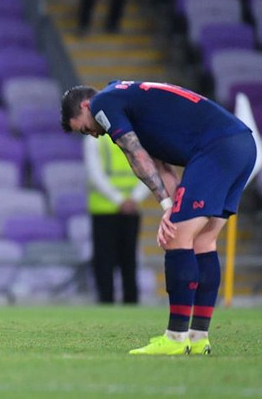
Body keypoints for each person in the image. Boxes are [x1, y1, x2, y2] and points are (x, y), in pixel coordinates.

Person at [61, 81, 256, 355]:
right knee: (203, 241)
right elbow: (162, 165)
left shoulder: (102, 103)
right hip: (242, 145)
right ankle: (198, 338)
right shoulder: (130, 102)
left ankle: (175, 337)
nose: (93, 135)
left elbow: (135, 154)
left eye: (85, 128)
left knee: (176, 238)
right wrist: (171, 207)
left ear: (85, 106)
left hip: (216, 147)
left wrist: (167, 208)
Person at [84, 134, 149, 304]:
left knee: (128, 260)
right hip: (106, 209)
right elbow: (94, 174)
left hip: (117, 207)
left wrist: (130, 199)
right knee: (107, 261)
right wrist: (129, 200)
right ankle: (108, 301)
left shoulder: (136, 136)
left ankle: (128, 302)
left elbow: (148, 168)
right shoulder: (96, 137)